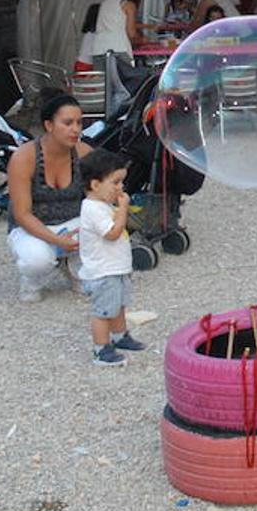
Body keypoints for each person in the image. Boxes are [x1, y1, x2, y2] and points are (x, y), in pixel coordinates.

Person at [7, 92, 93, 303]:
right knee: (37, 260)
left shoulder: (84, 152)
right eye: (68, 123)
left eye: (79, 123)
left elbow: (98, 197)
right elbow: (22, 214)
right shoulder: (24, 157)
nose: (76, 129)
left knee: (104, 230)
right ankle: (32, 279)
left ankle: (74, 267)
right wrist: (57, 241)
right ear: (49, 125)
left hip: (73, 222)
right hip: (32, 226)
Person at [76, 150, 146, 366]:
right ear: (96, 185)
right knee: (103, 312)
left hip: (115, 269)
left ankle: (119, 335)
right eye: (115, 182)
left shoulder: (103, 205)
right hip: (102, 272)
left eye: (121, 182)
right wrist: (123, 209)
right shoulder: (93, 209)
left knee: (119, 305)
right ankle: (101, 348)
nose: (120, 188)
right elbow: (112, 233)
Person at [90, 0, 147, 88]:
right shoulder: (128, 5)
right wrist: (142, 39)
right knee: (125, 86)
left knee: (105, 88)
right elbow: (131, 33)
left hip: (98, 50)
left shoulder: (104, 4)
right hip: (118, 51)